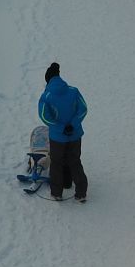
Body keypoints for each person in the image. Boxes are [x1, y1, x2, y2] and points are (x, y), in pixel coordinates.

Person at [38, 63, 88, 203]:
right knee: (75, 161)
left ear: (48, 79)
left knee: (57, 163)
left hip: (57, 138)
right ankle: (81, 193)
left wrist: (61, 128)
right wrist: (72, 125)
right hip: (75, 135)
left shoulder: (46, 96)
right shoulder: (73, 91)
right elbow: (83, 109)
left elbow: (44, 116)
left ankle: (57, 193)